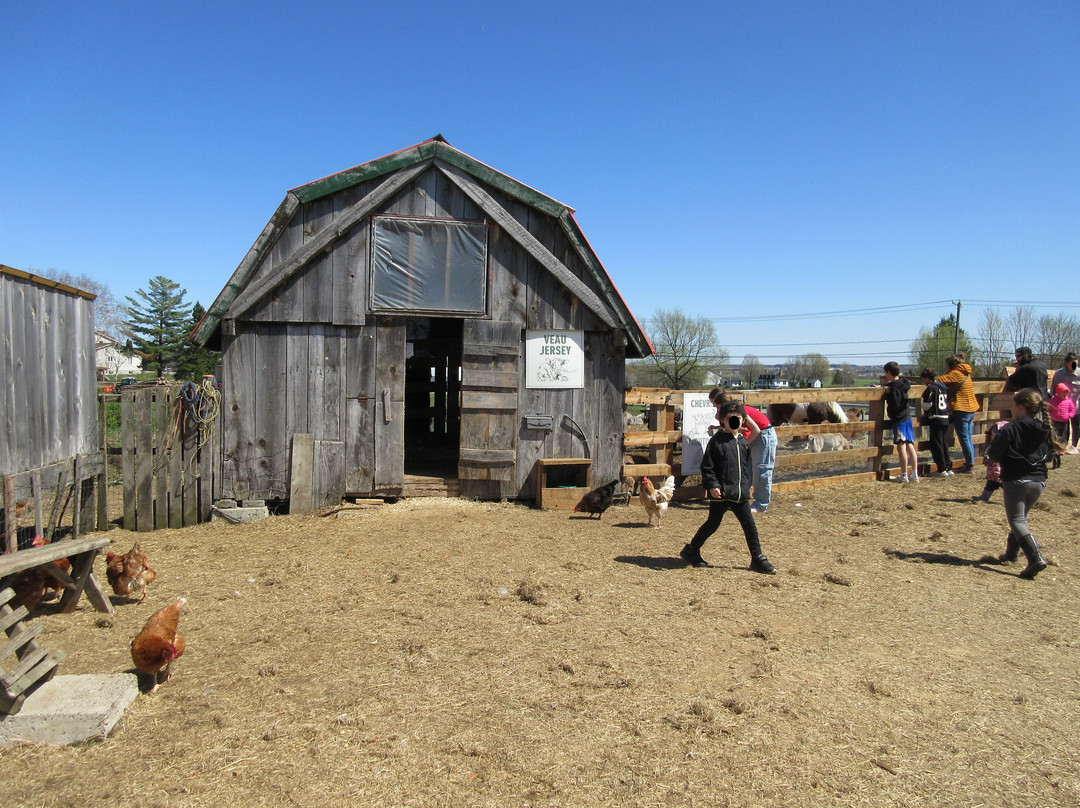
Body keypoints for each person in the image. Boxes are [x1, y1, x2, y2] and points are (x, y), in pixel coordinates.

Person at [681, 400, 776, 574]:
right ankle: (691, 550)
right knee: (712, 523)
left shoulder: (743, 442)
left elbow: (745, 468)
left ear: (743, 420)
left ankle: (758, 558)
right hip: (722, 493)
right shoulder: (717, 443)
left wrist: (746, 485)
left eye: (738, 418)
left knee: (749, 526)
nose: (735, 421)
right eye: (731, 418)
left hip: (740, 493)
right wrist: (713, 486)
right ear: (723, 420)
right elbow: (707, 467)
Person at [985, 388, 1065, 579]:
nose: (1011, 407)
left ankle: (1036, 559)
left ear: (1020, 407)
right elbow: (1051, 454)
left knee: (1017, 521)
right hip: (1039, 482)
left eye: (1012, 404)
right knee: (1020, 519)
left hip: (1016, 480)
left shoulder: (1011, 428)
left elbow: (994, 453)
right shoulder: (1044, 427)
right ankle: (1011, 554)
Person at [710, 387, 775, 514]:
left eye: (718, 407)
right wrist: (719, 427)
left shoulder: (740, 410)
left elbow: (755, 429)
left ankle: (761, 504)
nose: (717, 410)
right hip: (756, 435)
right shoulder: (732, 412)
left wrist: (742, 445)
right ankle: (741, 500)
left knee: (761, 468)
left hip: (763, 435)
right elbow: (740, 428)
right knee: (747, 469)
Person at [936, 353, 979, 473]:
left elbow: (938, 380)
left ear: (951, 365)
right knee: (968, 437)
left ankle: (969, 465)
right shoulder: (965, 373)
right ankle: (970, 462)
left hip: (962, 409)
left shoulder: (955, 373)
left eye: (946, 366)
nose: (945, 368)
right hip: (970, 409)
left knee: (964, 438)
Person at [883, 362, 919, 483]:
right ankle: (914, 474)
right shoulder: (903, 383)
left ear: (888, 372)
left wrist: (887, 395)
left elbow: (895, 404)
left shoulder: (893, 389)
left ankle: (904, 474)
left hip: (899, 419)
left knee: (901, 446)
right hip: (908, 417)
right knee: (910, 444)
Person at [919, 368, 952, 476]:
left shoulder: (931, 388)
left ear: (927, 378)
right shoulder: (943, 387)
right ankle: (948, 466)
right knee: (944, 443)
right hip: (945, 417)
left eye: (924, 379)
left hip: (936, 418)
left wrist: (925, 411)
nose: (924, 381)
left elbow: (926, 404)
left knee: (936, 444)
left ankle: (941, 469)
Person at [971, 420, 1008, 502]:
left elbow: (999, 463)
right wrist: (987, 461)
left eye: (994, 434)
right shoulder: (994, 446)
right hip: (993, 475)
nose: (992, 436)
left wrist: (997, 472)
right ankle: (984, 497)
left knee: (1007, 487)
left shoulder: (1002, 448)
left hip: (999, 474)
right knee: (990, 485)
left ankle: (1013, 501)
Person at [1050, 352, 1080, 453]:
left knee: (1076, 426)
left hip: (1076, 405)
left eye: (1076, 363)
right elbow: (1054, 390)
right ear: (1066, 363)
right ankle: (1063, 446)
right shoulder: (1059, 374)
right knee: (1063, 427)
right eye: (1072, 363)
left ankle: (1074, 446)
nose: (1075, 366)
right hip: (1062, 407)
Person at [1048, 382, 1076, 449]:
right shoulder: (1052, 401)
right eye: (1063, 394)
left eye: (1065, 394)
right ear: (1058, 393)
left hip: (1064, 421)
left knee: (1063, 435)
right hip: (1054, 421)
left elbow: (1072, 409)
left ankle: (1062, 448)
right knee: (1054, 434)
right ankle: (1054, 447)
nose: (1064, 395)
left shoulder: (1068, 401)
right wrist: (1050, 415)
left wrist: (1069, 415)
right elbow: (1048, 408)